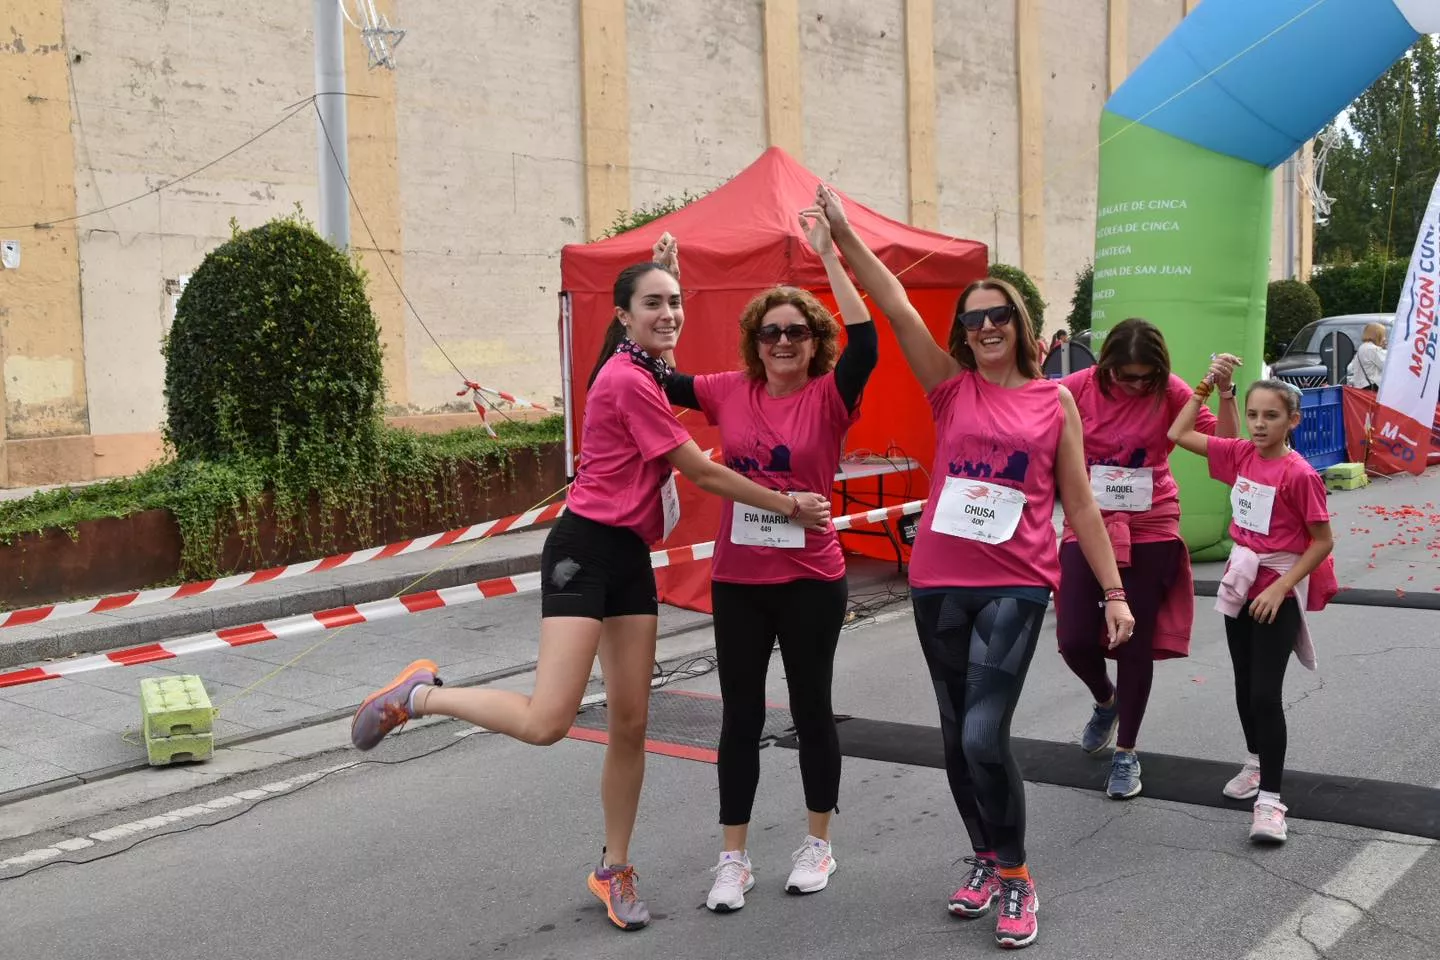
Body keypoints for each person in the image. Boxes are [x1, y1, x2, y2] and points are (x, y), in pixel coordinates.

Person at [347, 259, 834, 933]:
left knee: (631, 722)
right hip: (583, 553)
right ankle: (420, 695)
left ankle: (615, 867)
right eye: (654, 304)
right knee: (550, 721)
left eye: (675, 302)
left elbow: (667, 386)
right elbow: (696, 468)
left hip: (630, 557)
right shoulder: (625, 380)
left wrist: (666, 258)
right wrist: (788, 506)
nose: (669, 313)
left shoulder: (644, 371)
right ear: (623, 316)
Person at [828, 184, 1135, 950]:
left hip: (1015, 583)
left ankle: (1019, 878)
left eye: (999, 315)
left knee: (982, 734)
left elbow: (1083, 507)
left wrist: (1114, 592)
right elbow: (895, 303)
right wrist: (841, 234)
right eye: (974, 318)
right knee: (951, 732)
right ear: (962, 334)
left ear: (1020, 326)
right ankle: (986, 856)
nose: (987, 325)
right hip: (937, 581)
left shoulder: (1052, 402)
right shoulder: (947, 388)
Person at [655, 195, 878, 913]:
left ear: (815, 342)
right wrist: (667, 292)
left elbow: (869, 341)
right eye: (771, 332)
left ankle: (819, 842)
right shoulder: (729, 391)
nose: (783, 341)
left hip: (812, 580)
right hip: (741, 582)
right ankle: (733, 858)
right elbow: (659, 377)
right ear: (755, 341)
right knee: (740, 717)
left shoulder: (829, 398)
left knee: (812, 709)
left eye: (797, 331)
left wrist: (828, 254)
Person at [1057, 320, 1240, 800]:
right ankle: (1105, 700)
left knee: (1132, 643)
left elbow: (1226, 448)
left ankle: (1127, 753)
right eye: (1126, 376)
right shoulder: (1075, 390)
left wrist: (1224, 394)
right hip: (1087, 521)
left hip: (1151, 523)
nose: (1137, 386)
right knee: (1074, 638)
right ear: (1106, 366)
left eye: (1146, 377)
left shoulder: (1173, 390)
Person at [1168, 377, 1337, 844]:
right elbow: (1179, 435)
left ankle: (1271, 802)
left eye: (1272, 416)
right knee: (1245, 686)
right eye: (1255, 415)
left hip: (1274, 590)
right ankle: (1255, 762)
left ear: (1293, 421)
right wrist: (1205, 388)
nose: (1261, 425)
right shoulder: (1242, 454)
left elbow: (1322, 541)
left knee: (1265, 694)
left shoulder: (1299, 474)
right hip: (1239, 583)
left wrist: (1282, 586)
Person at [1347, 322, 1387, 391]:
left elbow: (1352, 368)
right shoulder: (1372, 349)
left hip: (1361, 387)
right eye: (1383, 335)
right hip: (1371, 387)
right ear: (1377, 335)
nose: (1385, 338)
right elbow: (1386, 366)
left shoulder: (1362, 347)